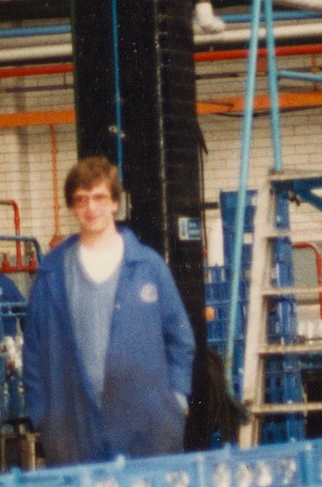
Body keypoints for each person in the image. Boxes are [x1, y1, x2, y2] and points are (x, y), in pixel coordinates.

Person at [23, 157, 195, 467]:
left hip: (147, 425)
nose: (91, 208)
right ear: (72, 207)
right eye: (81, 199)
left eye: (100, 197)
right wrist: (43, 415)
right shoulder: (51, 274)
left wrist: (177, 397)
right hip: (74, 427)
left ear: (115, 202)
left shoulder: (149, 267)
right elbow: (33, 351)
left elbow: (180, 338)